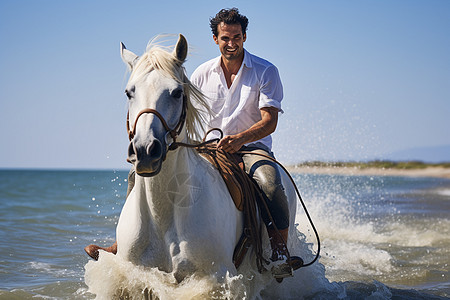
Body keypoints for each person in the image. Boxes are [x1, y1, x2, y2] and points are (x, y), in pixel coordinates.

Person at [190, 8, 301, 279]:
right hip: (209, 149)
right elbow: (188, 118)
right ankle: (125, 247)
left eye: (237, 37)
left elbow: (269, 122)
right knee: (153, 174)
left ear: (245, 36)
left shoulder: (266, 71)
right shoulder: (201, 74)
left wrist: (239, 139)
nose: (231, 43)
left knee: (271, 185)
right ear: (215, 39)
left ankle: (279, 254)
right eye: (225, 38)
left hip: (252, 147)